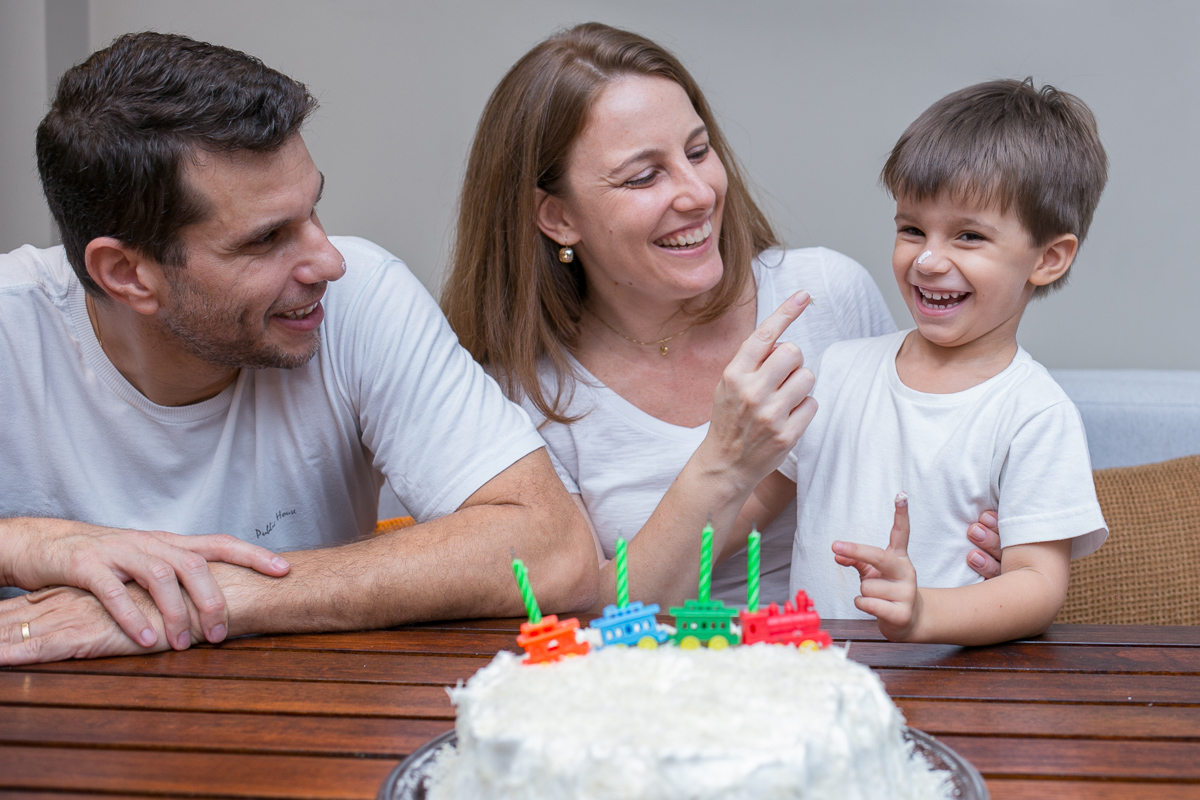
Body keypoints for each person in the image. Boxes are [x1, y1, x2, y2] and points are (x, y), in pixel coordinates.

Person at [0, 32, 596, 665]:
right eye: (265, 240)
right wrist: (28, 544)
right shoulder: (12, 322)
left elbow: (556, 550)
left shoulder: (361, 297)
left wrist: (209, 598)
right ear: (126, 273)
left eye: (313, 209)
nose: (329, 262)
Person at [441, 22, 1002, 610]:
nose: (700, 194)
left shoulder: (828, 294)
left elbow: (924, 469)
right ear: (558, 217)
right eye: (643, 176)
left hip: (858, 653)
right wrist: (727, 461)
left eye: (697, 151)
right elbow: (588, 612)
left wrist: (983, 542)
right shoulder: (520, 395)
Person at [765, 79, 1109, 644]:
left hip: (946, 683)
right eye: (912, 229)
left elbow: (1038, 585)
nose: (927, 260)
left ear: (1048, 258)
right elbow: (752, 499)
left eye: (968, 236)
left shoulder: (1034, 412)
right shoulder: (838, 370)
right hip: (816, 673)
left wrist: (923, 611)